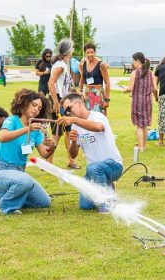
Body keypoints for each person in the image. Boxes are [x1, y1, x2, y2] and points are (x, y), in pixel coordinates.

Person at [0, 89, 57, 214]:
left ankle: (7, 193)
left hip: (20, 171)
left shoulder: (36, 129)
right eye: (34, 105)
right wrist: (27, 129)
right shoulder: (12, 120)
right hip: (0, 170)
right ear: (24, 103)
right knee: (25, 181)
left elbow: (44, 154)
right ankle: (5, 206)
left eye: (39, 108)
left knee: (44, 202)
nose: (36, 109)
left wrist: (52, 146)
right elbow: (2, 137)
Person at [57, 93, 123, 214]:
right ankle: (107, 186)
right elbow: (73, 155)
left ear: (79, 103)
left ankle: (108, 201)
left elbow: (98, 127)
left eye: (69, 108)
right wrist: (74, 141)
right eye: (65, 111)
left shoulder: (97, 116)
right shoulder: (75, 127)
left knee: (93, 168)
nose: (67, 113)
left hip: (113, 165)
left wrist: (74, 120)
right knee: (85, 206)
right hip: (93, 171)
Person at [47, 39, 80, 169]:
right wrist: (55, 102)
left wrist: (75, 91)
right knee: (57, 133)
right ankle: (48, 162)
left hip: (64, 101)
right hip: (58, 102)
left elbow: (63, 85)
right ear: (68, 51)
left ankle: (71, 161)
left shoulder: (64, 64)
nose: (73, 51)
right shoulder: (60, 65)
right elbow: (51, 83)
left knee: (67, 132)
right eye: (72, 48)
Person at [123, 52, 157, 152]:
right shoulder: (151, 73)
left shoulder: (135, 73)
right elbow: (155, 88)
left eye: (133, 61)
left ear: (137, 61)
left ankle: (141, 147)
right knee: (145, 125)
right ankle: (144, 146)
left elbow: (130, 88)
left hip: (137, 101)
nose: (133, 63)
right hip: (148, 101)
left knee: (139, 125)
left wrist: (125, 90)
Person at [79, 43, 112, 115]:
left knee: (98, 119)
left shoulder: (101, 65)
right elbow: (81, 79)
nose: (90, 54)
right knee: (86, 119)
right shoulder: (82, 64)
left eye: (92, 52)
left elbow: (107, 82)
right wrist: (80, 92)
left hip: (98, 95)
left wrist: (106, 99)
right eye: (88, 52)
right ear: (85, 53)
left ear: (95, 52)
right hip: (86, 96)